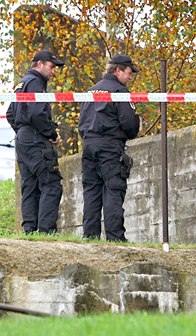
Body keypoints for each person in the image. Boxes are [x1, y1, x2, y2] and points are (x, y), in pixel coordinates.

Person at [78, 54, 140, 242]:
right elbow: (129, 125)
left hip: (89, 146)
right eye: (129, 73)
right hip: (110, 148)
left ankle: (90, 237)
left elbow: (82, 123)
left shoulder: (91, 91)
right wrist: (137, 124)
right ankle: (115, 238)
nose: (130, 78)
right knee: (113, 190)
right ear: (118, 70)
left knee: (91, 192)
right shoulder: (120, 93)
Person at [6, 50, 64, 234]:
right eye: (51, 66)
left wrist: (22, 131)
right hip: (35, 139)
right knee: (51, 183)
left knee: (30, 185)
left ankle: (30, 231)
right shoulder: (35, 83)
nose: (54, 71)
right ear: (39, 64)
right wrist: (51, 134)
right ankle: (47, 231)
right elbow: (37, 113)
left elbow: (10, 113)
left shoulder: (22, 83)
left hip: (23, 140)